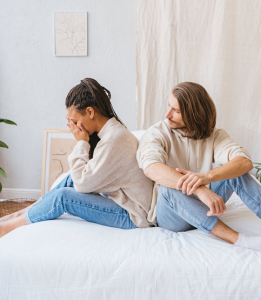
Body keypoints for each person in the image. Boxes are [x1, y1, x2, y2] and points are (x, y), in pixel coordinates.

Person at [137, 81, 261, 254]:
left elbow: (244, 162)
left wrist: (205, 177)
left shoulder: (214, 135)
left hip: (203, 207)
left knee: (234, 170)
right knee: (168, 190)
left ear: (194, 114)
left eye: (176, 111)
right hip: (172, 215)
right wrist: (200, 189)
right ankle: (243, 241)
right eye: (169, 107)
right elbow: (151, 168)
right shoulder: (157, 133)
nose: (167, 114)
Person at [0, 78, 154, 238]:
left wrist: (82, 142)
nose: (74, 127)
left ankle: (6, 228)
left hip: (133, 215)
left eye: (75, 121)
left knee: (63, 197)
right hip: (126, 204)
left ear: (90, 112)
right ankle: (17, 216)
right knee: (69, 179)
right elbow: (82, 178)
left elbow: (82, 185)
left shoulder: (114, 139)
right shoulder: (112, 133)